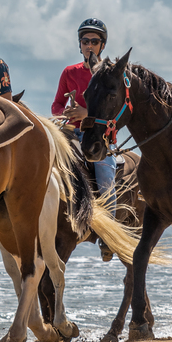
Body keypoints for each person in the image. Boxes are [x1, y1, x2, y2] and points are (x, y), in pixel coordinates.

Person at [52, 18, 117, 216]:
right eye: (85, 41)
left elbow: (115, 110)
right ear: (80, 45)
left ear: (102, 45)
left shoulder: (111, 74)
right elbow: (56, 105)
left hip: (101, 136)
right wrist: (64, 114)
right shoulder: (69, 72)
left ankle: (110, 226)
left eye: (94, 41)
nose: (89, 45)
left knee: (104, 174)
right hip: (71, 132)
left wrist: (86, 114)